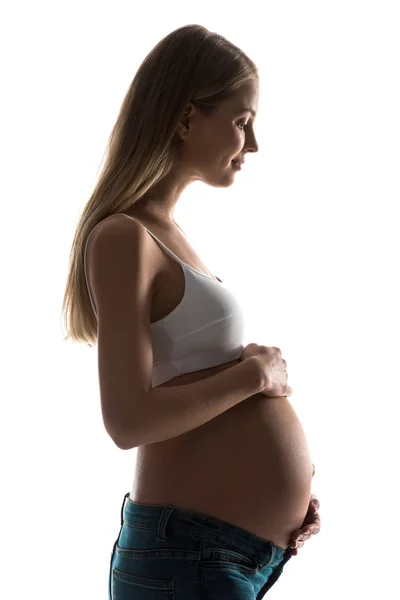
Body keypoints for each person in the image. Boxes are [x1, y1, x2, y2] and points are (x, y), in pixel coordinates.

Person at [62, 24, 321, 599]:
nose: (251, 144)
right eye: (241, 120)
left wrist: (282, 510)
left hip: (221, 557)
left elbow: (198, 396)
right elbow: (127, 420)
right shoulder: (123, 237)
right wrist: (255, 375)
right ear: (185, 121)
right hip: (186, 559)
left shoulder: (168, 236)